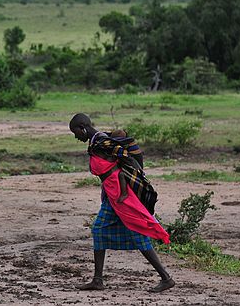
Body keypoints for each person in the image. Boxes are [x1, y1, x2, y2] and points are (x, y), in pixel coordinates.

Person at [69, 112, 175, 293]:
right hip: (112, 195)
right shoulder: (98, 142)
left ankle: (165, 278)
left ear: (82, 128)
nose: (76, 137)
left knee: (131, 232)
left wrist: (125, 191)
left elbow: (124, 163)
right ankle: (98, 280)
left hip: (120, 196)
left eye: (75, 133)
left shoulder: (102, 142)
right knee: (106, 231)